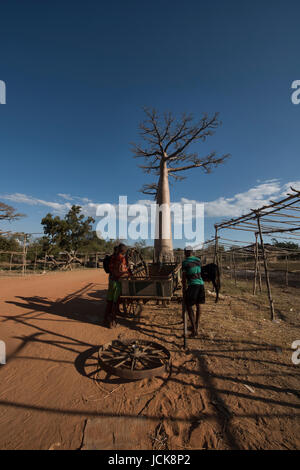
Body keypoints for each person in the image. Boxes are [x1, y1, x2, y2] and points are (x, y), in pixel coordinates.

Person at [104, 243, 130, 328]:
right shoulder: (122, 259)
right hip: (117, 282)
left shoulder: (112, 257)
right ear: (124, 251)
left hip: (111, 280)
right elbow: (121, 271)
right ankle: (112, 322)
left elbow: (112, 269)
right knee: (115, 302)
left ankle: (105, 318)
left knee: (109, 301)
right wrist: (128, 273)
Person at [182, 246, 205, 337]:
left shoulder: (185, 262)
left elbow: (184, 277)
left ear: (186, 252)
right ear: (192, 252)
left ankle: (194, 330)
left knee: (189, 306)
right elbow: (199, 271)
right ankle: (196, 326)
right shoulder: (198, 260)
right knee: (198, 305)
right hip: (201, 284)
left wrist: (184, 289)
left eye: (184, 252)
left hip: (193, 285)